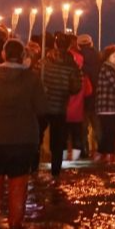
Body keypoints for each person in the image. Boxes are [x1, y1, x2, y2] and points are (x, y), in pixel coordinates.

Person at [0, 39, 46, 229]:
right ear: (22, 56)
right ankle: (15, 227)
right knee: (18, 185)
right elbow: (42, 108)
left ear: (3, 55)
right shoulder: (33, 78)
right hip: (24, 139)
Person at [40, 33, 83, 177]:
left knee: (38, 137)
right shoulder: (72, 65)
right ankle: (55, 171)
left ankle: (33, 168)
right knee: (57, 141)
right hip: (59, 106)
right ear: (69, 46)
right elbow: (76, 87)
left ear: (55, 44)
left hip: (43, 104)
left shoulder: (44, 61)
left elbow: (36, 79)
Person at [95, 45, 115, 162]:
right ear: (107, 57)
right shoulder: (107, 69)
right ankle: (109, 154)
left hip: (110, 105)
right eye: (113, 56)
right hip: (107, 105)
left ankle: (100, 154)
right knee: (110, 132)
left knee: (108, 131)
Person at [76, 34, 101, 159]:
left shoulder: (77, 58)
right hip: (97, 97)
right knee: (98, 125)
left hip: (82, 98)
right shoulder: (99, 57)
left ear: (78, 45)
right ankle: (102, 149)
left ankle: (84, 150)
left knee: (83, 127)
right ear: (91, 43)